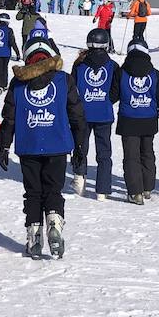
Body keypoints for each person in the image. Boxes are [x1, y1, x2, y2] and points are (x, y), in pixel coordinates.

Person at [0, 34, 85, 259]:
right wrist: (80, 147)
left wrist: (4, 145)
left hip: (29, 145)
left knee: (33, 192)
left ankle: (34, 236)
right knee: (53, 190)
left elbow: (9, 118)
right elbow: (77, 115)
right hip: (58, 144)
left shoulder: (18, 83)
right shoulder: (64, 80)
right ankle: (54, 223)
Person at [70, 27, 119, 199]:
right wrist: (105, 100)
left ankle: (79, 179)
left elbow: (72, 89)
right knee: (104, 152)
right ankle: (102, 190)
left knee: (81, 147)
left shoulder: (79, 64)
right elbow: (116, 89)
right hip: (104, 113)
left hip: (83, 113)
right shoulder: (113, 65)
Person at [117, 39, 159, 204]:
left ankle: (135, 192)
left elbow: (113, 96)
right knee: (147, 154)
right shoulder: (155, 73)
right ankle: (147, 188)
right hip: (149, 120)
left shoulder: (122, 73)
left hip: (128, 120)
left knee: (131, 157)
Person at [0, 12, 20, 92]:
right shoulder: (9, 30)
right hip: (6, 52)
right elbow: (12, 42)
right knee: (4, 68)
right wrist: (17, 52)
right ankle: (4, 84)